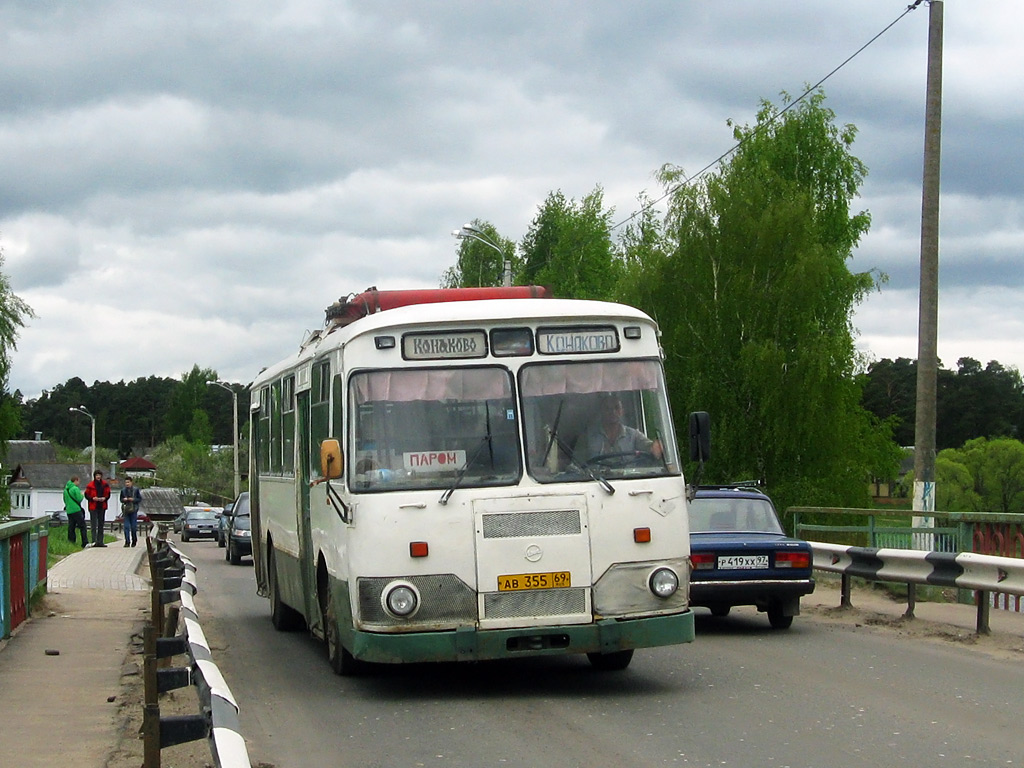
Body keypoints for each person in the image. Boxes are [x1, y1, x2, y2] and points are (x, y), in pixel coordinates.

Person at [573, 393, 662, 463]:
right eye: (607, 408)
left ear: (622, 411)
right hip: (595, 481)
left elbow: (651, 447)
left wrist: (657, 445)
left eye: (616, 408)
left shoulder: (633, 435)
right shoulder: (587, 437)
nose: (613, 412)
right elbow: (576, 464)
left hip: (629, 481)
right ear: (601, 411)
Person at [84, 469, 111, 547]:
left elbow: (108, 494)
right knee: (93, 524)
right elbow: (86, 495)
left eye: (99, 475)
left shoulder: (105, 485)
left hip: (102, 506)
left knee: (101, 524)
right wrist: (92, 498)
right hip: (93, 506)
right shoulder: (90, 485)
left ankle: (100, 541)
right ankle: (94, 541)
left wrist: (104, 498)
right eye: (97, 475)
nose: (98, 477)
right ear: (94, 476)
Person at [63, 474, 89, 547]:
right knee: (82, 526)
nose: (79, 483)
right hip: (76, 509)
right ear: (76, 480)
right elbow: (79, 498)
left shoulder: (66, 490)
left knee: (71, 526)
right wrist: (82, 495)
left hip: (69, 510)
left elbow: (64, 500)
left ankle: (71, 541)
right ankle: (84, 542)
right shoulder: (75, 488)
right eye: (78, 481)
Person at [119, 476, 143, 547]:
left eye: (128, 482)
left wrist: (133, 499)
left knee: (133, 527)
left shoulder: (135, 490)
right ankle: (127, 541)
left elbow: (139, 499)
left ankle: (134, 540)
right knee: (126, 527)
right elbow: (121, 499)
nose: (127, 484)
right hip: (126, 510)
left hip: (133, 510)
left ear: (131, 482)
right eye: (126, 482)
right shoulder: (123, 490)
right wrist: (124, 499)